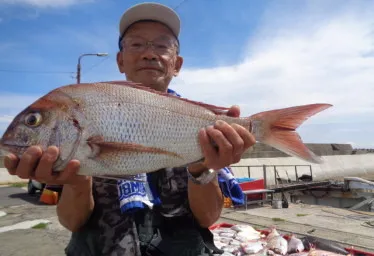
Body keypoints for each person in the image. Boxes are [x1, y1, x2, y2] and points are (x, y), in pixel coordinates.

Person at [3, 2, 256, 255]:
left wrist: (203, 168)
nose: (149, 53)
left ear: (176, 64)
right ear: (120, 60)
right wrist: (77, 182)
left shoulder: (205, 128)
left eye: (161, 45)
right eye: (136, 44)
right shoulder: (79, 133)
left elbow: (207, 219)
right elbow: (72, 222)